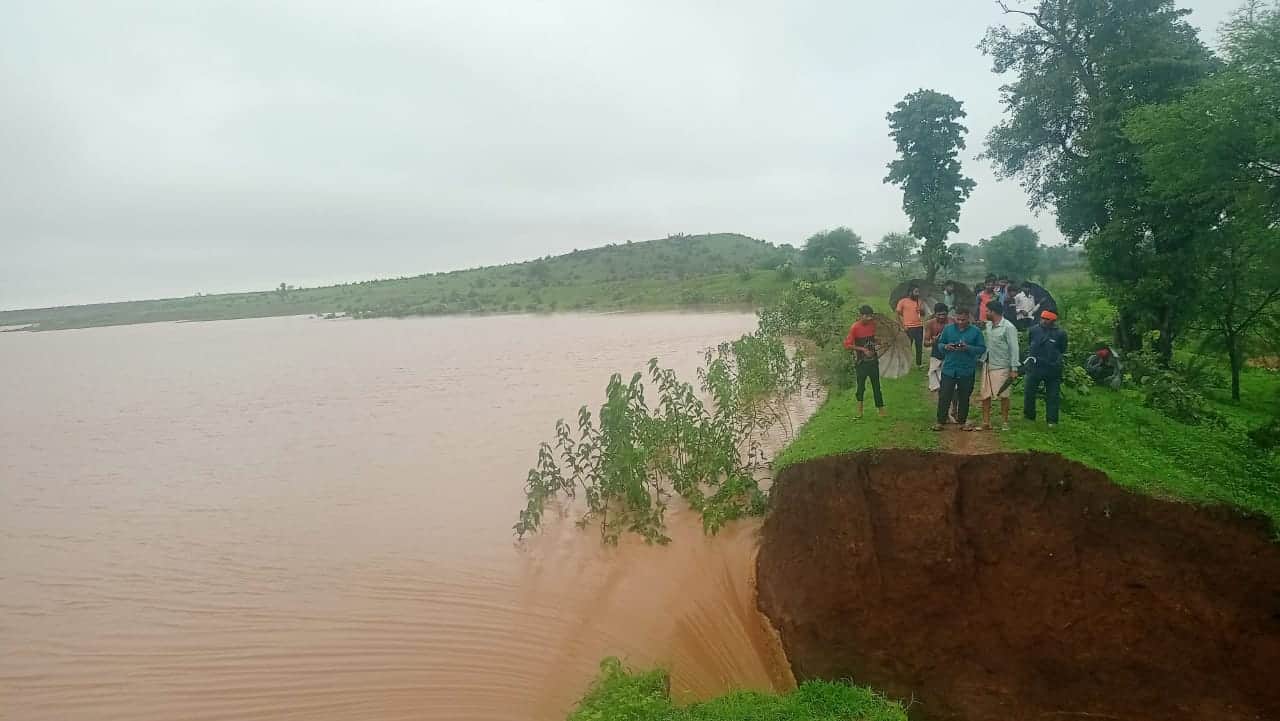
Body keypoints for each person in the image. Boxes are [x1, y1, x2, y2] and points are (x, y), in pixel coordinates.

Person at [933, 307, 986, 431]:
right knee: (944, 395)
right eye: (958, 319)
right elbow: (940, 345)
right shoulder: (948, 329)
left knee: (964, 396)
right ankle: (940, 421)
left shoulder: (976, 332)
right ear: (955, 317)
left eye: (963, 319)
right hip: (949, 368)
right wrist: (946, 346)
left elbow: (982, 348)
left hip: (966, 369)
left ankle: (962, 422)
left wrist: (968, 348)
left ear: (968, 318)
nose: (960, 322)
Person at [977, 301, 1020, 431]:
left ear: (993, 312)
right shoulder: (989, 325)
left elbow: (1014, 348)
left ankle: (1005, 422)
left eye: (987, 311)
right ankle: (986, 422)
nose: (985, 313)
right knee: (985, 394)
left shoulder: (1008, 327)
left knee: (1004, 395)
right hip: (988, 363)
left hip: (1002, 365)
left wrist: (1014, 368)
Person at [1025, 310, 1068, 427]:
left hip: (1053, 368)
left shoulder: (1060, 333)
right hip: (1035, 366)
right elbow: (1030, 343)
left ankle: (1052, 420)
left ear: (1053, 320)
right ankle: (1029, 416)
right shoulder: (1034, 330)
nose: (1043, 321)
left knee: (1053, 395)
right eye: (1042, 318)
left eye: (1047, 319)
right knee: (1029, 391)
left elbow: (1062, 349)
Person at [843, 305, 885, 418]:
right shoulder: (855, 328)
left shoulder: (872, 325)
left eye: (870, 316)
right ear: (861, 316)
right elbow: (847, 345)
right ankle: (860, 411)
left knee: (877, 386)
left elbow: (872, 338)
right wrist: (862, 349)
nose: (869, 318)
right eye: (867, 316)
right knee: (861, 386)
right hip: (861, 362)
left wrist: (877, 341)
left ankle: (881, 410)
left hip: (873, 361)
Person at [923, 303, 950, 392]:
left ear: (947, 314)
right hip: (936, 354)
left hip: (950, 354)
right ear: (935, 314)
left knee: (951, 384)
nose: (942, 317)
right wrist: (933, 341)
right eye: (939, 314)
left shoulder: (952, 322)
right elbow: (926, 343)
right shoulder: (930, 323)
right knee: (936, 386)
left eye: (944, 314)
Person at [896, 285, 925, 367]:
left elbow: (923, 314)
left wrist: (921, 310)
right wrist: (902, 326)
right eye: (916, 292)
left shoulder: (919, 301)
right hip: (908, 327)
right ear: (910, 292)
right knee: (907, 347)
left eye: (918, 292)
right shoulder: (903, 301)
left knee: (919, 346)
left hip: (919, 327)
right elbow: (897, 314)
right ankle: (905, 364)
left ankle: (919, 364)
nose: (917, 294)